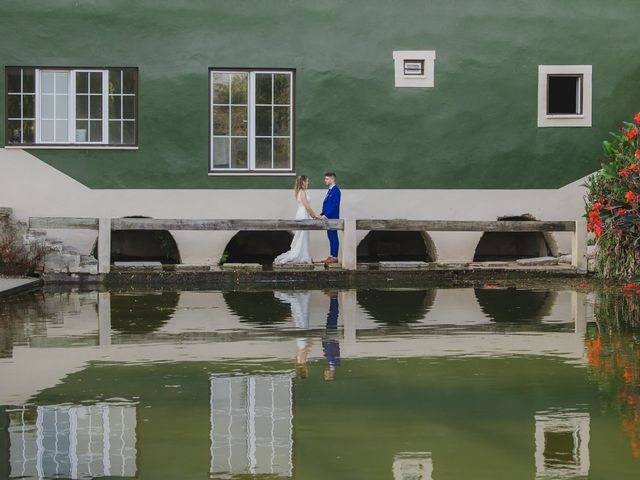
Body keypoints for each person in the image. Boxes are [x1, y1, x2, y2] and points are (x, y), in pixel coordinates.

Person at [274, 175, 319, 265]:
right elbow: (306, 206)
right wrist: (315, 216)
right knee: (302, 235)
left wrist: (313, 215)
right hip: (303, 214)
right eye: (307, 181)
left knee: (303, 235)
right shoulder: (302, 192)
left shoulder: (300, 192)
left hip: (302, 213)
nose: (308, 183)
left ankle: (304, 255)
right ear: (303, 182)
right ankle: (300, 256)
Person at [319, 172, 341, 264]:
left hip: (333, 218)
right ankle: (331, 255)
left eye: (326, 179)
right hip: (328, 218)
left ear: (332, 179)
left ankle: (334, 256)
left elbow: (335, 205)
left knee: (333, 236)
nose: (325, 180)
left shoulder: (336, 191)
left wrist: (326, 215)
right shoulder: (330, 191)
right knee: (330, 236)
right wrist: (322, 214)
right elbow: (326, 204)